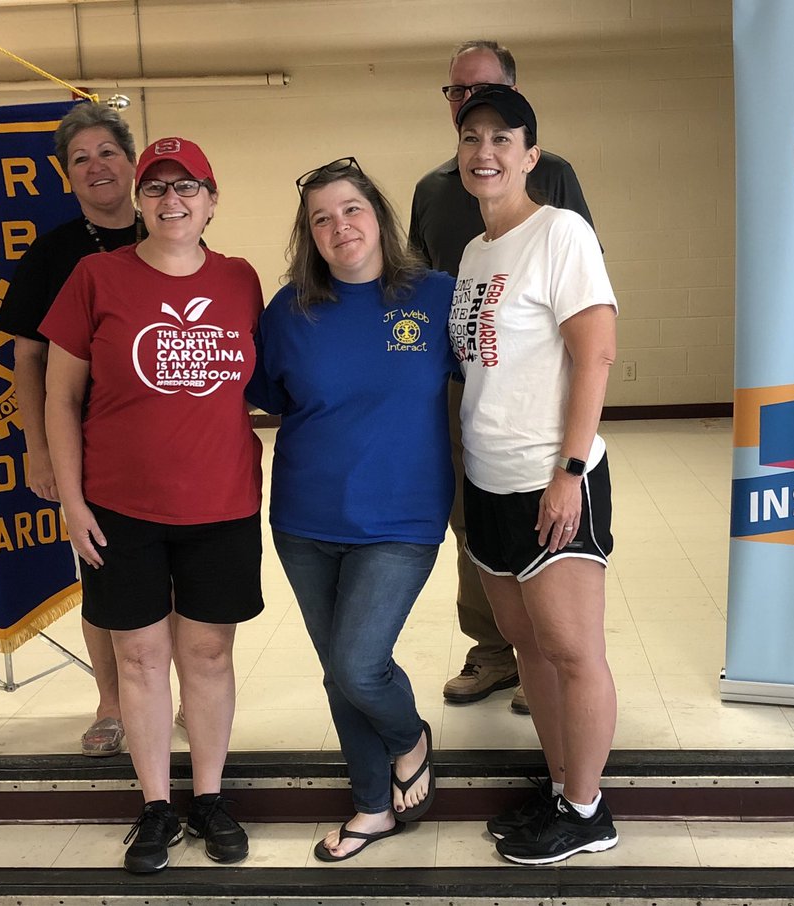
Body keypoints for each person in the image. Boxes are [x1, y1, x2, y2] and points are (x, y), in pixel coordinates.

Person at [41, 137, 263, 873]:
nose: (174, 201)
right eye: (158, 188)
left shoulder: (240, 280)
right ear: (139, 199)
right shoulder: (96, 276)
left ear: (211, 197)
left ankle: (209, 796)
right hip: (120, 508)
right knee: (138, 657)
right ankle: (156, 808)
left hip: (221, 501)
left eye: (188, 187)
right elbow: (60, 395)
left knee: (207, 654)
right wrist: (72, 502)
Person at [247, 157, 454, 862]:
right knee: (338, 671)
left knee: (360, 663)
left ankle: (410, 740)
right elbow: (268, 398)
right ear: (310, 235)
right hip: (306, 519)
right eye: (322, 218)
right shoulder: (291, 310)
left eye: (352, 209)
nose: (340, 226)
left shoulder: (436, 296)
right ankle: (370, 807)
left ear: (379, 216)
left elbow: (499, 375)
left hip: (403, 517)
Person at [448, 86, 619, 864]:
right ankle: (560, 791)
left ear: (529, 154)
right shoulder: (476, 252)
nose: (485, 152)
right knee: (527, 651)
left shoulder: (561, 233)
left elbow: (596, 355)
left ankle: (588, 812)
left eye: (502, 138)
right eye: (472, 137)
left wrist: (569, 471)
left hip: (549, 476)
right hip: (488, 482)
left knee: (572, 650)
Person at [409, 40, 597, 714]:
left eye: (482, 91)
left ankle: (552, 655)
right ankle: (495, 651)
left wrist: (574, 454)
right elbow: (420, 287)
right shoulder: (433, 190)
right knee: (474, 524)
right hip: (465, 389)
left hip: (539, 390)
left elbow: (587, 310)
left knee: (553, 526)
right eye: (457, 94)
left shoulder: (556, 183)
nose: (467, 104)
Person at [0, 101, 142, 757]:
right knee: (105, 579)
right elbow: (26, 358)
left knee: (181, 584)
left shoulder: (173, 232)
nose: (95, 166)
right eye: (79, 158)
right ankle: (113, 703)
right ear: (67, 176)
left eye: (106, 152)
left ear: (132, 162)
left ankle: (181, 695)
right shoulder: (54, 254)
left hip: (171, 447)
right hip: (90, 450)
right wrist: (39, 450)